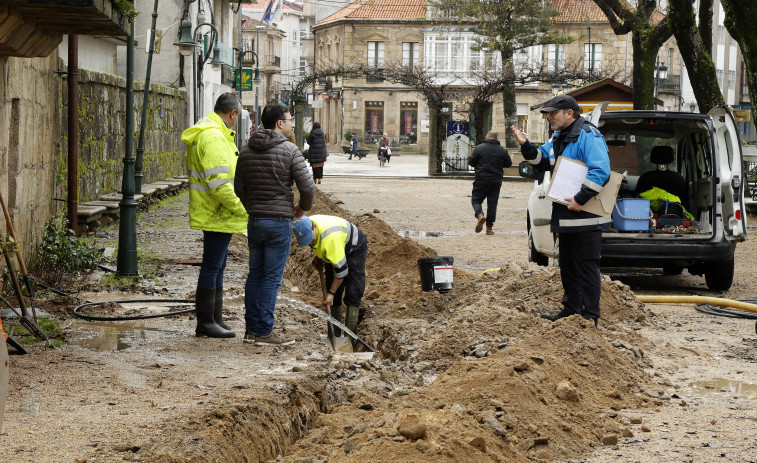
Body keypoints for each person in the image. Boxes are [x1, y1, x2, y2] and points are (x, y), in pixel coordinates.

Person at [510, 94, 611, 327]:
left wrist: (580, 199)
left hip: (584, 214)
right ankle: (572, 310)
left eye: (553, 113)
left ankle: (589, 318)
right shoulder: (559, 136)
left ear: (569, 113)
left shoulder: (588, 134)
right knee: (568, 266)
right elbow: (542, 161)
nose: (549, 118)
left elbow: (601, 172)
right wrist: (526, 145)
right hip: (565, 214)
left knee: (585, 266)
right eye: (547, 114)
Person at [235, 102, 316, 345]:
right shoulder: (290, 151)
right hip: (279, 222)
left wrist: (254, 208)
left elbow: (239, 188)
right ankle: (265, 331)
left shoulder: (246, 150)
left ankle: (251, 330)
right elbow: (308, 188)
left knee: (255, 275)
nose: (292, 124)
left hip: (255, 221)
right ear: (279, 123)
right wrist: (301, 209)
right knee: (271, 278)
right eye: (290, 120)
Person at [181, 92, 248, 338]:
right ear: (233, 113)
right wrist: (243, 209)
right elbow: (220, 185)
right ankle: (206, 323)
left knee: (217, 265)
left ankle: (214, 318)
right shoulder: (214, 138)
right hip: (216, 212)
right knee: (212, 265)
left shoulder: (211, 133)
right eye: (237, 117)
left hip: (215, 212)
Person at [292, 214, 368, 336]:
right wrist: (319, 257)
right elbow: (318, 244)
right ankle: (334, 335)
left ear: (314, 227)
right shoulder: (305, 225)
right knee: (332, 289)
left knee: (353, 290)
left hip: (353, 247)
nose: (310, 242)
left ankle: (350, 338)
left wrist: (330, 294)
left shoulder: (330, 239)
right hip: (335, 246)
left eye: (310, 238)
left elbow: (341, 273)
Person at [467, 131, 512, 235]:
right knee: (492, 203)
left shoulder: (479, 148)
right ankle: (489, 228)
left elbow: (471, 162)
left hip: (482, 178)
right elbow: (508, 164)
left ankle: (480, 215)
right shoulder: (502, 150)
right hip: (496, 180)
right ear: (496, 138)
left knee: (476, 199)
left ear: (487, 137)